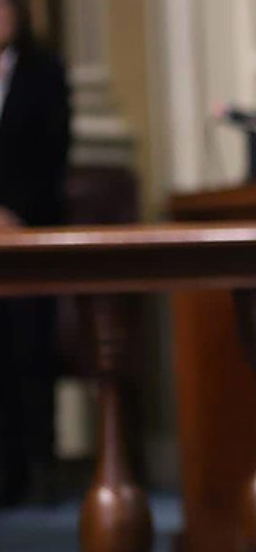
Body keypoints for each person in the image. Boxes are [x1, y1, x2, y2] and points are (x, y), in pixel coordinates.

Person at [0, 0, 70, 505]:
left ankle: (40, 465)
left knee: (30, 346)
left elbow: (53, 154)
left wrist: (12, 215)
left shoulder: (45, 73)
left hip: (32, 232)